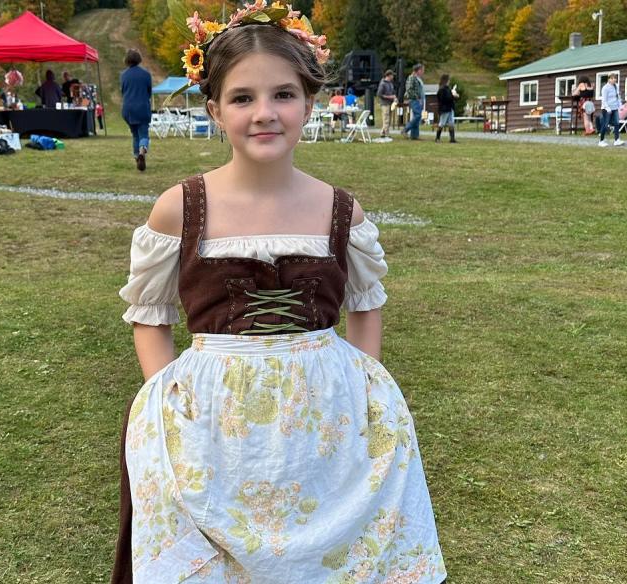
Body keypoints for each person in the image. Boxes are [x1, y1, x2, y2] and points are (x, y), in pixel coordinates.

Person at [110, 3, 447, 582]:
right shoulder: (180, 208)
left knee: (330, 556)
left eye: (283, 95)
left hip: (328, 418)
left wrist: (366, 400)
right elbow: (150, 314)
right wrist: (165, 407)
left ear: (309, 103)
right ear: (214, 108)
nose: (264, 113)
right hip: (211, 418)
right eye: (243, 98)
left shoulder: (341, 210)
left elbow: (366, 305)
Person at [119, 49, 152, 172]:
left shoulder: (123, 75)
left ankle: (136, 156)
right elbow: (149, 92)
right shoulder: (146, 74)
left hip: (128, 108)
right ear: (139, 59)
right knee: (143, 133)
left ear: (126, 60)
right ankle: (142, 151)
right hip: (142, 107)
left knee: (134, 135)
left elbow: (123, 92)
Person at [597, 74, 624, 147]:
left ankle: (617, 140)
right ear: (609, 79)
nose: (614, 80)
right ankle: (601, 141)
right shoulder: (605, 88)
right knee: (605, 125)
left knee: (617, 123)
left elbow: (618, 97)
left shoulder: (616, 86)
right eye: (612, 78)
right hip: (606, 109)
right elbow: (604, 100)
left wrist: (620, 105)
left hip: (615, 108)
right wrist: (608, 108)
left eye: (615, 78)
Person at [402, 63, 425, 140]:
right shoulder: (411, 78)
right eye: (422, 70)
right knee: (418, 116)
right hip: (414, 100)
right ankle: (406, 129)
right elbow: (409, 90)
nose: (423, 72)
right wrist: (417, 98)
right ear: (418, 70)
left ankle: (414, 135)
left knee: (417, 117)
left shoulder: (417, 78)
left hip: (419, 100)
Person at [435, 73, 458, 143]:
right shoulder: (442, 90)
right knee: (442, 123)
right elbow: (444, 99)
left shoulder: (447, 89)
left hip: (450, 108)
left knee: (451, 123)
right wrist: (453, 96)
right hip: (444, 109)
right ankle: (437, 138)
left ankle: (452, 138)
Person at [376, 69, 396, 140]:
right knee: (386, 119)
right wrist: (389, 97)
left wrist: (394, 97)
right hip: (385, 104)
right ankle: (387, 133)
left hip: (390, 103)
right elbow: (379, 94)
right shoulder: (382, 84)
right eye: (392, 75)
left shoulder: (390, 83)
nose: (393, 76)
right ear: (389, 75)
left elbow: (392, 92)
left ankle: (382, 133)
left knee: (389, 119)